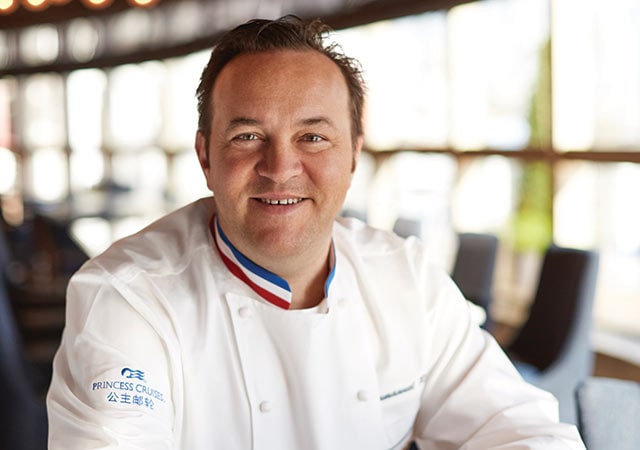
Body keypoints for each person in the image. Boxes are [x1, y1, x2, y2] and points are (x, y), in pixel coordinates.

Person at [47, 15, 586, 449]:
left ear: (353, 154)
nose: (280, 168)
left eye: (313, 137)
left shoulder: (406, 279)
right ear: (205, 156)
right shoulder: (128, 299)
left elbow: (522, 428)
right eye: (248, 136)